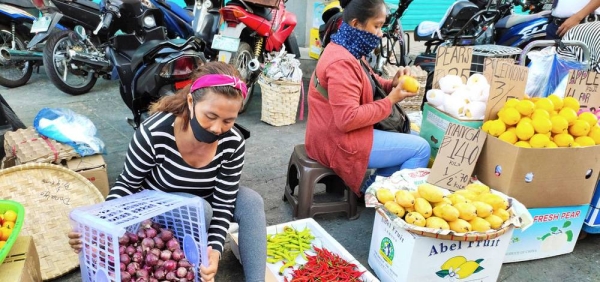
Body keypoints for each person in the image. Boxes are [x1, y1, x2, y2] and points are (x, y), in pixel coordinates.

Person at [67, 62, 267, 282]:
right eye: (210, 116)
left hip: (207, 202)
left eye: (229, 120)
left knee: (250, 201)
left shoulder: (233, 142)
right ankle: (185, 265)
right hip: (161, 209)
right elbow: (127, 184)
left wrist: (215, 250)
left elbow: (224, 203)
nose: (217, 128)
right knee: (202, 210)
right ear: (191, 102)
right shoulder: (155, 132)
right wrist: (99, 226)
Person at [305, 0, 431, 197]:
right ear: (356, 24)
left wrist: (392, 83)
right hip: (338, 141)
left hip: (334, 133)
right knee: (421, 149)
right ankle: (390, 203)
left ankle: (373, 190)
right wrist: (390, 100)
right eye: (377, 26)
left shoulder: (347, 48)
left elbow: (368, 81)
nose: (380, 33)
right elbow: (348, 119)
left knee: (412, 139)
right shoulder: (342, 63)